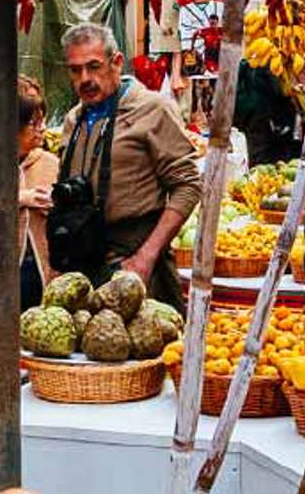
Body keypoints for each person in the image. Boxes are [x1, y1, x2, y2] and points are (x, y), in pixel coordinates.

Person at [54, 23, 200, 308]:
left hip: (136, 265)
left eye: (94, 66)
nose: (85, 78)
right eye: (75, 70)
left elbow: (189, 185)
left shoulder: (153, 109)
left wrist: (146, 257)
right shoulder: (73, 120)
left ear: (117, 62)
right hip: (83, 270)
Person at [18, 78, 59, 309]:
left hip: (44, 277)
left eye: (42, 121)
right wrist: (22, 198)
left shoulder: (51, 164)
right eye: (33, 123)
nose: (42, 129)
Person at [234, 61, 302, 169]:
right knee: (273, 169)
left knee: (259, 166)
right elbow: (282, 91)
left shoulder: (250, 63)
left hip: (254, 124)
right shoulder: (273, 65)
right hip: (271, 128)